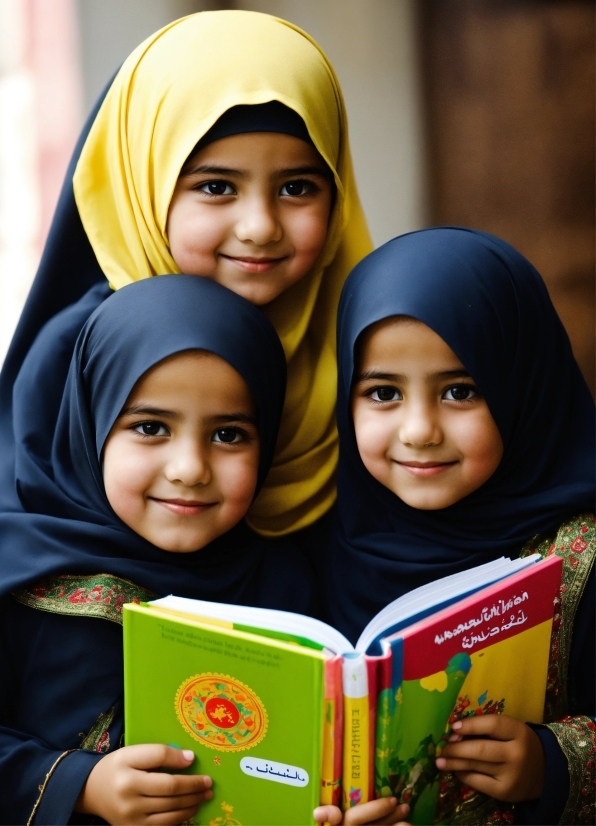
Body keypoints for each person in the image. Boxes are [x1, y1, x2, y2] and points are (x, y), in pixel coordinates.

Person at [0, 9, 372, 545]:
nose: (260, 226)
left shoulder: (366, 362)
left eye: (296, 188)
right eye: (217, 187)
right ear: (143, 184)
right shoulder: (76, 362)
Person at [0, 275, 320, 824]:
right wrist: (79, 785)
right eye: (150, 427)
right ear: (92, 426)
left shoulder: (290, 581)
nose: (190, 469)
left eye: (228, 435)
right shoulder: (21, 574)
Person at [326, 228, 595, 825]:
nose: (420, 429)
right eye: (383, 392)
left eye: (459, 390)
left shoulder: (581, 556)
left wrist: (555, 763)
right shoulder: (315, 539)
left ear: (523, 387)